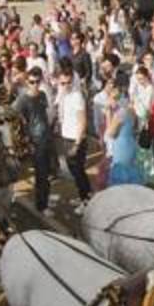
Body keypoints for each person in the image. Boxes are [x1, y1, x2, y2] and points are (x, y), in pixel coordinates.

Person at [14, 69, 53, 211]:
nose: (35, 85)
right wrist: (25, 137)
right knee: (41, 175)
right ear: (27, 82)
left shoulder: (42, 95)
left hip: (47, 138)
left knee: (48, 173)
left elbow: (46, 115)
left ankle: (46, 200)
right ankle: (41, 206)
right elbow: (13, 116)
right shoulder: (22, 100)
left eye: (37, 82)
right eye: (31, 82)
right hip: (35, 143)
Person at [55, 67, 90, 211]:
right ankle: (84, 196)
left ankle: (86, 199)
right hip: (66, 136)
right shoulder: (62, 95)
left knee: (78, 170)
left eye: (68, 82)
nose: (65, 86)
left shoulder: (77, 96)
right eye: (62, 83)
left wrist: (77, 143)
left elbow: (83, 121)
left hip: (75, 139)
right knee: (74, 170)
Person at [103, 79, 144, 187]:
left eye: (110, 98)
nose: (109, 101)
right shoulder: (131, 110)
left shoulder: (120, 113)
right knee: (130, 170)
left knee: (121, 175)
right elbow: (135, 128)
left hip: (121, 146)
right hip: (130, 143)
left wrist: (108, 115)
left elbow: (110, 133)